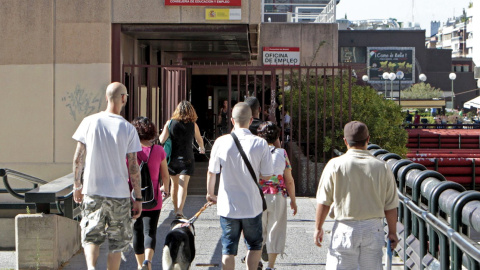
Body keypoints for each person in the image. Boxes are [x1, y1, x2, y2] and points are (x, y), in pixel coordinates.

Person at [72, 82, 142, 270]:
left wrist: (77, 186)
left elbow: (78, 158)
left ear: (106, 97)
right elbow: (134, 167)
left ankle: (91, 268)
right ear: (124, 98)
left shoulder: (89, 122)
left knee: (91, 236)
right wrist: (138, 197)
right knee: (117, 243)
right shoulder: (128, 128)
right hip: (118, 194)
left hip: (92, 191)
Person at [314, 121, 399, 269]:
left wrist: (318, 227)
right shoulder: (382, 167)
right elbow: (390, 205)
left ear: (345, 141)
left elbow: (324, 201)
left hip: (345, 228)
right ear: (368, 139)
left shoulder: (335, 165)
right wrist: (392, 232)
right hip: (373, 228)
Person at [206, 102, 274, 270]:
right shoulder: (260, 143)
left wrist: (210, 194)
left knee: (228, 248)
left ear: (231, 120)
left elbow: (211, 172)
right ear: (251, 120)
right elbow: (267, 175)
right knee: (254, 245)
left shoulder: (221, 142)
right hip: (252, 205)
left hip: (228, 205)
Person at [130, 117, 170, 270]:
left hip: (134, 197)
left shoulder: (130, 151)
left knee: (137, 231)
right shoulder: (159, 150)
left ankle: (140, 266)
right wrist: (165, 189)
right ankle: (148, 261)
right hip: (154, 198)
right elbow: (165, 175)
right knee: (150, 231)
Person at [257, 122, 297, 270]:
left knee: (258, 229)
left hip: (258, 195)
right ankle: (271, 266)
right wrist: (293, 200)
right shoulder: (282, 154)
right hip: (277, 195)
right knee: (276, 229)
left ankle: (256, 262)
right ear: (276, 137)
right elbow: (289, 180)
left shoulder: (255, 152)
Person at [159, 100, 205, 219]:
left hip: (173, 159)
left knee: (174, 185)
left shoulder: (170, 123)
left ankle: (175, 210)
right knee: (183, 186)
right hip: (187, 158)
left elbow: (162, 139)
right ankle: (180, 210)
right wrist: (202, 147)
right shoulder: (193, 124)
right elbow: (199, 139)